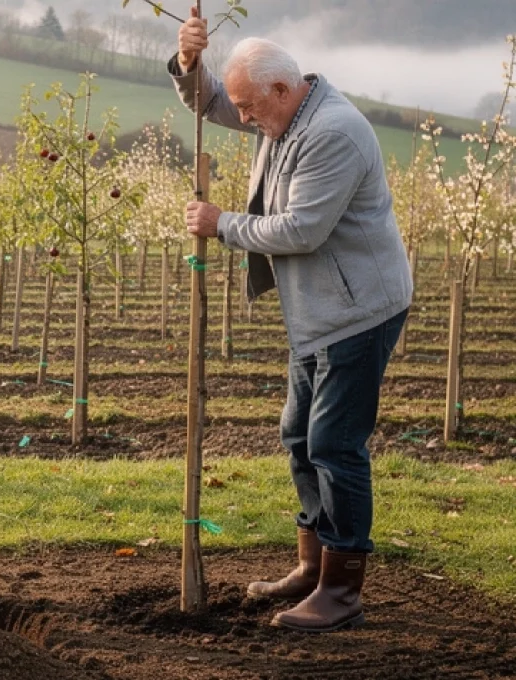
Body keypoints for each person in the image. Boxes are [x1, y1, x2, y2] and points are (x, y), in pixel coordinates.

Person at [171, 9, 413, 633]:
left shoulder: (333, 133)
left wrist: (221, 224)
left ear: (281, 90)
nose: (243, 119)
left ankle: (341, 590)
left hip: (358, 311)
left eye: (250, 109)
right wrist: (190, 64)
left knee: (334, 443)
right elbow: (214, 102)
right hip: (317, 310)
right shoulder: (282, 112)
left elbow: (302, 230)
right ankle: (312, 566)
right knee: (299, 436)